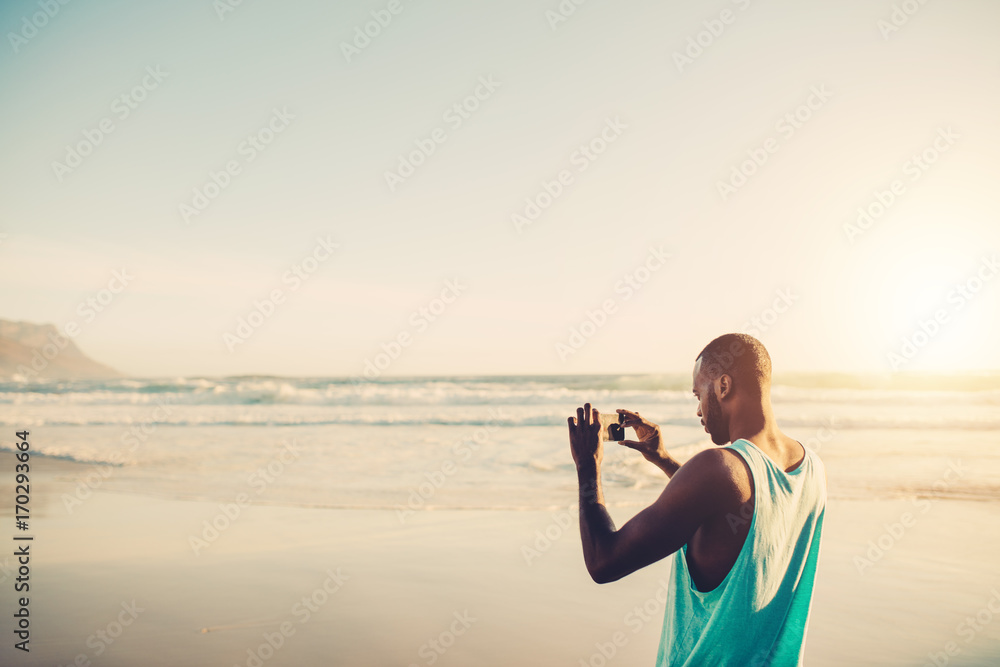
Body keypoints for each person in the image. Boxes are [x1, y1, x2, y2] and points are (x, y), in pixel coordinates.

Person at [568, 333, 826, 666]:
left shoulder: (717, 467)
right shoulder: (811, 467)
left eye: (697, 393)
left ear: (723, 386)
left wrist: (588, 466)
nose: (698, 409)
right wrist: (663, 459)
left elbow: (603, 562)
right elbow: (736, 512)